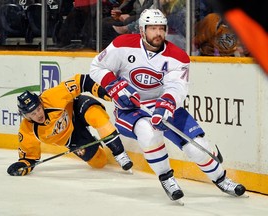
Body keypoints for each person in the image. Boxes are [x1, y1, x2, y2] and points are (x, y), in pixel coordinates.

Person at [89, 8, 246, 202]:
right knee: (148, 132)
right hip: (131, 108)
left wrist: (166, 105)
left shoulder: (177, 56)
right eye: (152, 28)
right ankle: (166, 178)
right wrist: (113, 85)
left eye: (161, 28)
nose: (158, 33)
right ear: (141, 30)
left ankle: (221, 179)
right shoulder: (122, 45)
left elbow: (177, 86)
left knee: (196, 148)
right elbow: (97, 67)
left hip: (163, 105)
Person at [7, 74, 133, 176]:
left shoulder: (50, 97)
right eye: (33, 113)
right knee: (99, 162)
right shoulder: (27, 130)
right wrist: (24, 165)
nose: (38, 114)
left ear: (41, 103)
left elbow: (82, 81)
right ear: (25, 116)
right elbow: (29, 158)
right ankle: (94, 142)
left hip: (76, 109)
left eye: (39, 109)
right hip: (71, 138)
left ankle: (120, 153)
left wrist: (103, 92)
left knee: (96, 116)